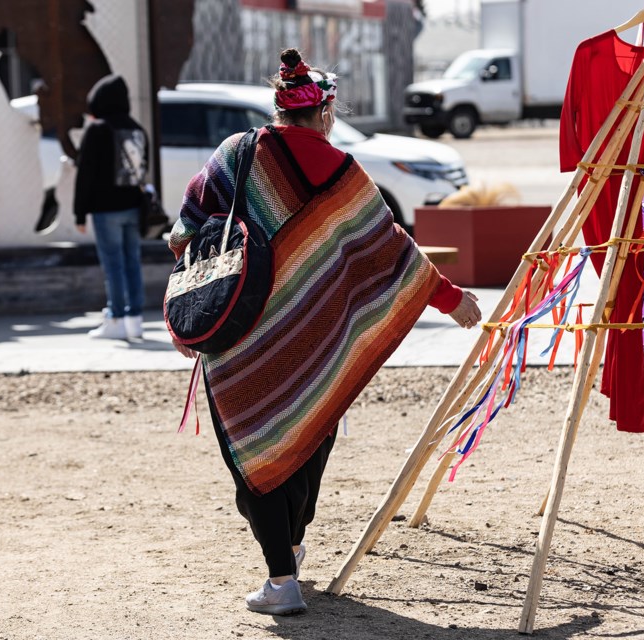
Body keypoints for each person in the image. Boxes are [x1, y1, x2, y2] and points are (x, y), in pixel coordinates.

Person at [168, 48, 482, 615]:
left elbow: (183, 229)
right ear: (326, 112)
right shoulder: (343, 174)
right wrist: (450, 298)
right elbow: (392, 251)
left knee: (253, 447)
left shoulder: (233, 154)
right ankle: (290, 548)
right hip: (315, 345)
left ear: (279, 106)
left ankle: (281, 579)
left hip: (238, 337)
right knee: (309, 430)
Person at [74, 74, 148, 340]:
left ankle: (115, 319)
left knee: (113, 265)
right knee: (132, 263)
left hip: (105, 210)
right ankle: (135, 319)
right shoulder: (137, 130)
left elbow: (85, 174)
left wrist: (79, 212)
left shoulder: (97, 130)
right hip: (133, 208)